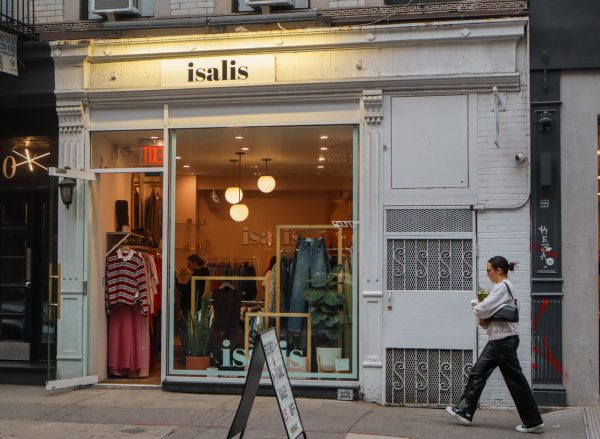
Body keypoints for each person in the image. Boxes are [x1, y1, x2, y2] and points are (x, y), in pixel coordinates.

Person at [446, 256, 544, 434]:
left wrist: (475, 303)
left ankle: (533, 422)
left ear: (499, 270)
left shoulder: (501, 287)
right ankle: (465, 410)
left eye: (489, 270)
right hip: (499, 340)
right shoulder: (506, 288)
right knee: (478, 372)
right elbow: (498, 313)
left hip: (504, 342)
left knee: (516, 381)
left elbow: (482, 309)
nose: (487, 273)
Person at [174, 255, 209, 356]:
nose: (188, 266)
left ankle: (188, 352)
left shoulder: (199, 275)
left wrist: (177, 284)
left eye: (189, 263)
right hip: (193, 306)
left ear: (195, 262)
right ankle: (189, 351)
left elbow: (190, 291)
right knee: (185, 327)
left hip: (192, 306)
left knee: (184, 328)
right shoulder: (201, 274)